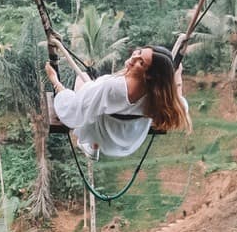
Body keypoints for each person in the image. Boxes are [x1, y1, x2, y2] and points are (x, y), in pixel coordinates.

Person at [44, 45, 190, 159]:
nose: (134, 57)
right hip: (130, 141)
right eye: (139, 52)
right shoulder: (156, 94)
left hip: (104, 138)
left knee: (81, 78)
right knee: (92, 90)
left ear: (149, 75)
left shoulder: (111, 88)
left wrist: (56, 82)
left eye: (141, 62)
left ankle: (92, 145)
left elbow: (73, 111)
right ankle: (94, 143)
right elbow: (181, 105)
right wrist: (177, 78)